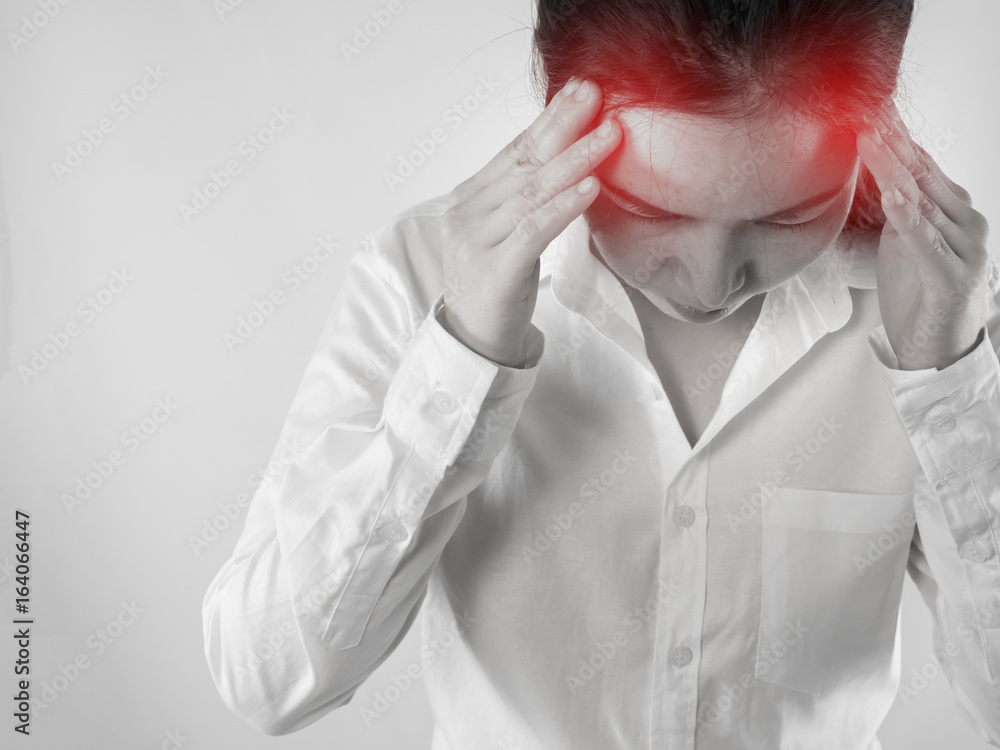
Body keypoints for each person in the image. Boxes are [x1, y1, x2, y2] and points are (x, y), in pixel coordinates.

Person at [202, 0, 1000, 746]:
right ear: (557, 109)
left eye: (789, 214)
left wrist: (949, 385)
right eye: (652, 208)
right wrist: (463, 357)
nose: (710, 281)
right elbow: (269, 680)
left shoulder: (945, 303)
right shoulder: (421, 274)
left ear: (878, 136)